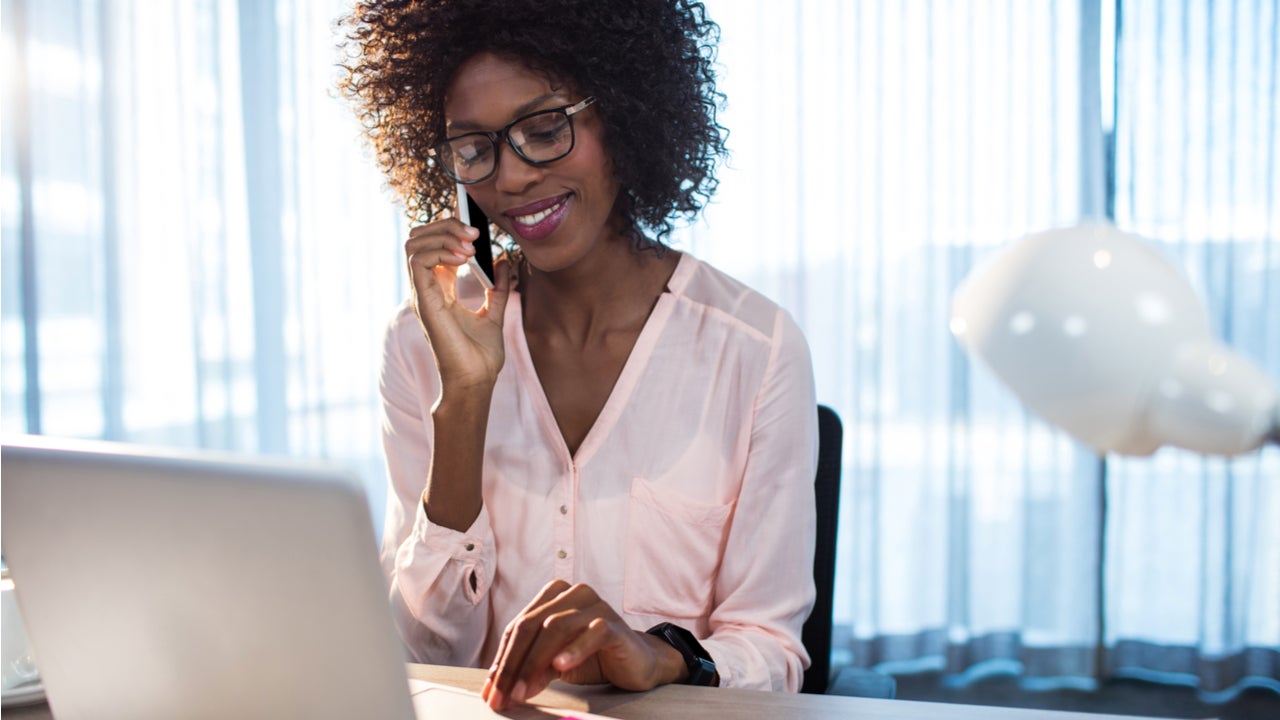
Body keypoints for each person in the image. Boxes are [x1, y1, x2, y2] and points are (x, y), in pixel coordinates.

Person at [338, 0, 818, 709]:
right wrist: (465, 401)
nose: (511, 177)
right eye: (475, 148)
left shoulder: (754, 350)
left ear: (622, 117)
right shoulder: (419, 346)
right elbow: (422, 656)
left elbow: (772, 653)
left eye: (543, 129)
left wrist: (660, 655)